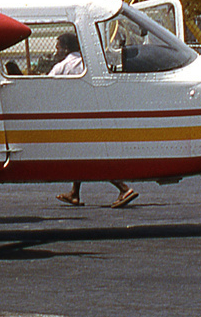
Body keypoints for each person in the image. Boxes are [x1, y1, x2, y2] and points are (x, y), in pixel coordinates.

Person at [47, 33, 137, 208]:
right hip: (91, 113)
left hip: (72, 117)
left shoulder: (62, 67)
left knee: (88, 157)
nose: (56, 50)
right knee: (81, 155)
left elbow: (46, 86)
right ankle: (74, 193)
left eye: (58, 46)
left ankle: (124, 188)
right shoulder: (88, 62)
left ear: (65, 48)